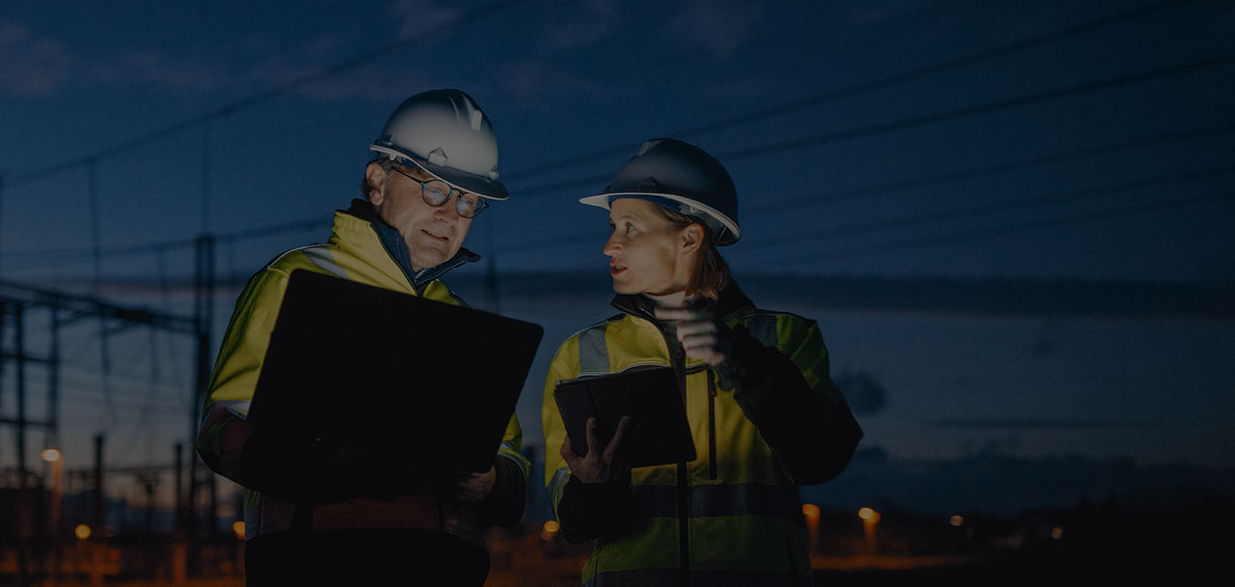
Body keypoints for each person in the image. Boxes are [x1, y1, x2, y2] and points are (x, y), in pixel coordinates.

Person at [195, 88, 529, 586]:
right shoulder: (297, 279)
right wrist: (321, 465)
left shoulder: (462, 321)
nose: (450, 215)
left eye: (467, 201)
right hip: (316, 565)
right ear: (378, 181)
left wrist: (492, 483)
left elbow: (508, 453)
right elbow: (222, 429)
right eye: (435, 190)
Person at [541, 138, 863, 585]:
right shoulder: (580, 354)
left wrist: (741, 360)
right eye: (612, 226)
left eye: (630, 227)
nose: (609, 246)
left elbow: (823, 458)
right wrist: (593, 487)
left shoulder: (784, 338)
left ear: (689, 237)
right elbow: (573, 523)